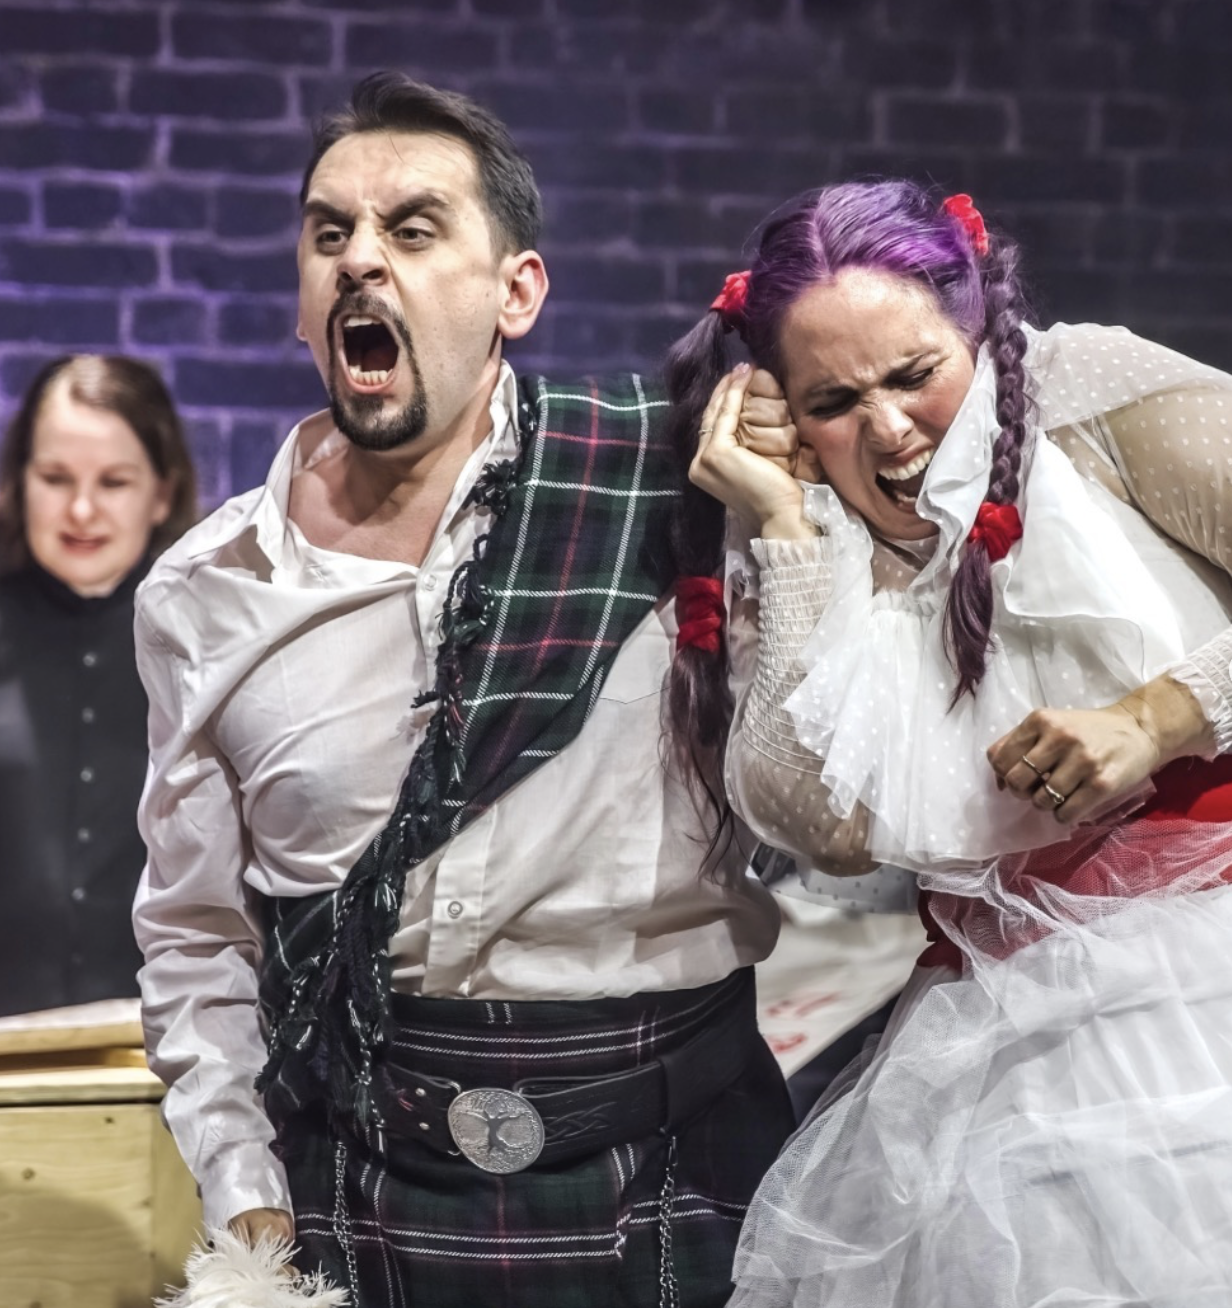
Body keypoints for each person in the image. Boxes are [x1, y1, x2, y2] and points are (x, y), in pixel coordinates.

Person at [133, 71, 793, 1308]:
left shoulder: (665, 493)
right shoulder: (203, 590)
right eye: (329, 234)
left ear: (516, 293)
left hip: (675, 1157)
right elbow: (197, 934)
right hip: (354, 1172)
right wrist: (246, 1192)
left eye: (413, 229)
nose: (358, 261)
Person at [667, 180, 1232, 1304]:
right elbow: (815, 827)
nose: (883, 427)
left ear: (972, 327)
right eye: (832, 399)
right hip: (999, 1027)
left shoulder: (1083, 393)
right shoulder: (804, 518)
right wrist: (779, 528)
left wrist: (1154, 720)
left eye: (915, 374)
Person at [0, 355, 196, 1018]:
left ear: (162, 494)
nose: (81, 509)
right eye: (55, 478)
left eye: (113, 482)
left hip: (158, 1060)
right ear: (18, 482)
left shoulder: (209, 644)